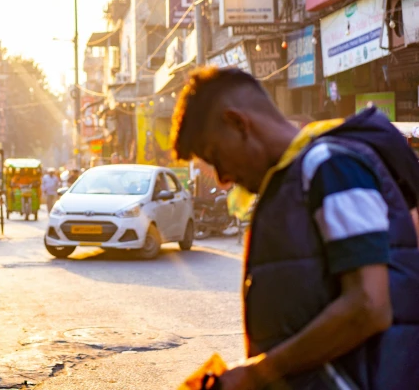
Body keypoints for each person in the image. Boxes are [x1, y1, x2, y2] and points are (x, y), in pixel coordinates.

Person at [171, 68, 419, 389]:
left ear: (238, 123)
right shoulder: (292, 178)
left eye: (216, 157)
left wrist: (259, 372)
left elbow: (369, 306)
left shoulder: (329, 165)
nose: (222, 178)